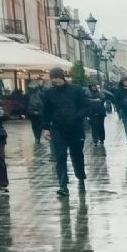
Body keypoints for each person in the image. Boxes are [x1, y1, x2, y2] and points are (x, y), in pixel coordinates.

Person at [41, 67, 91, 197]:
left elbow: (85, 106)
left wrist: (77, 116)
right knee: (60, 156)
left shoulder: (76, 90)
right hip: (58, 129)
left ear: (62, 77)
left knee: (77, 155)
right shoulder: (49, 93)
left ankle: (80, 177)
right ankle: (63, 185)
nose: (54, 82)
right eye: (52, 79)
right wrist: (46, 128)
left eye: (56, 79)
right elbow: (46, 111)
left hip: (75, 128)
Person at [84, 83, 107, 147]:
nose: (94, 87)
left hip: (100, 112)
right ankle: (95, 140)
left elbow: (103, 98)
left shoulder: (100, 92)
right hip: (92, 113)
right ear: (90, 87)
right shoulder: (87, 93)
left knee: (101, 126)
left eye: (95, 86)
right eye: (92, 86)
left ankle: (102, 139)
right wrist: (95, 100)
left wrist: (100, 92)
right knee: (94, 127)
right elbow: (86, 101)